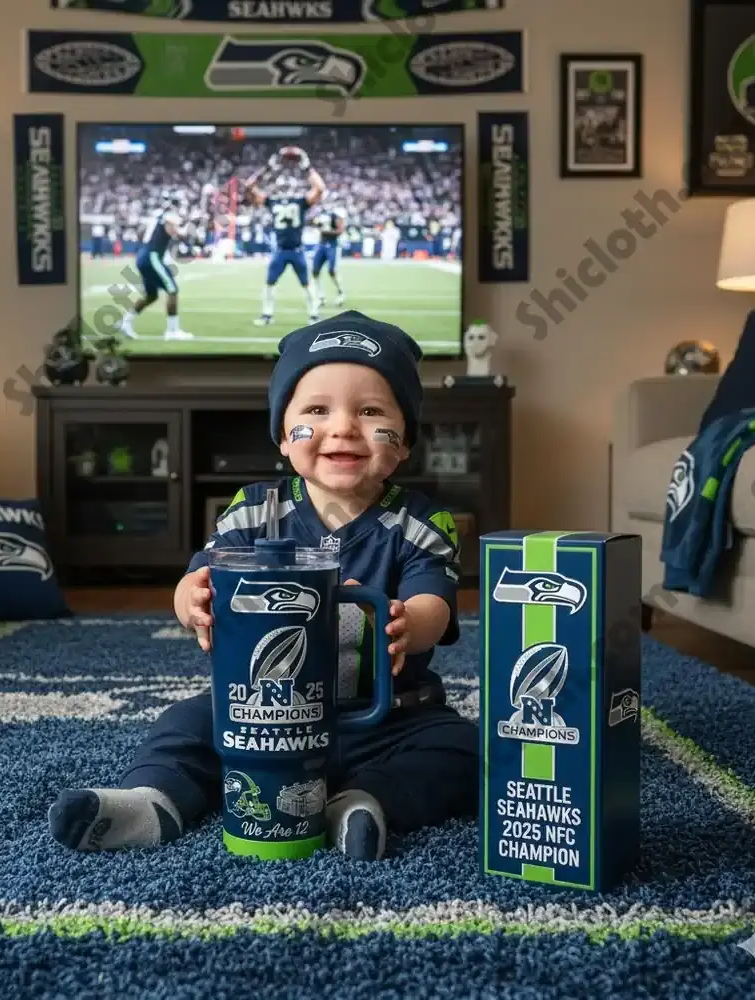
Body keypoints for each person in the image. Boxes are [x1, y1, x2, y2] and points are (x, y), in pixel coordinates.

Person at [48, 311, 479, 861]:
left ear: (405, 441)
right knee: (184, 723)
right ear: (282, 435)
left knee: (463, 749)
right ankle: (153, 800)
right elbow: (199, 574)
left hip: (387, 717)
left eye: (371, 411)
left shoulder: (419, 523)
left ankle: (360, 802)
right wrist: (190, 600)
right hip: (261, 713)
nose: (343, 427)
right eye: (316, 410)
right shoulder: (255, 510)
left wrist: (408, 623)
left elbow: (434, 602)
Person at [245, 147, 325, 327]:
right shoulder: (298, 202)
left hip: (290, 251)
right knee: (272, 284)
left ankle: (312, 316)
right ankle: (271, 315)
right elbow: (319, 187)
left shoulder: (278, 202)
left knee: (302, 284)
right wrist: (307, 167)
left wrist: (267, 168)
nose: (284, 188)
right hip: (286, 250)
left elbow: (249, 186)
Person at [120, 201, 195, 342]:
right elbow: (177, 232)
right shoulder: (166, 217)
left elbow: (144, 232)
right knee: (172, 290)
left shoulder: (156, 218)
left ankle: (125, 322)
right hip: (152, 257)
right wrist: (188, 228)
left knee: (151, 296)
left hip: (145, 256)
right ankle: (172, 331)